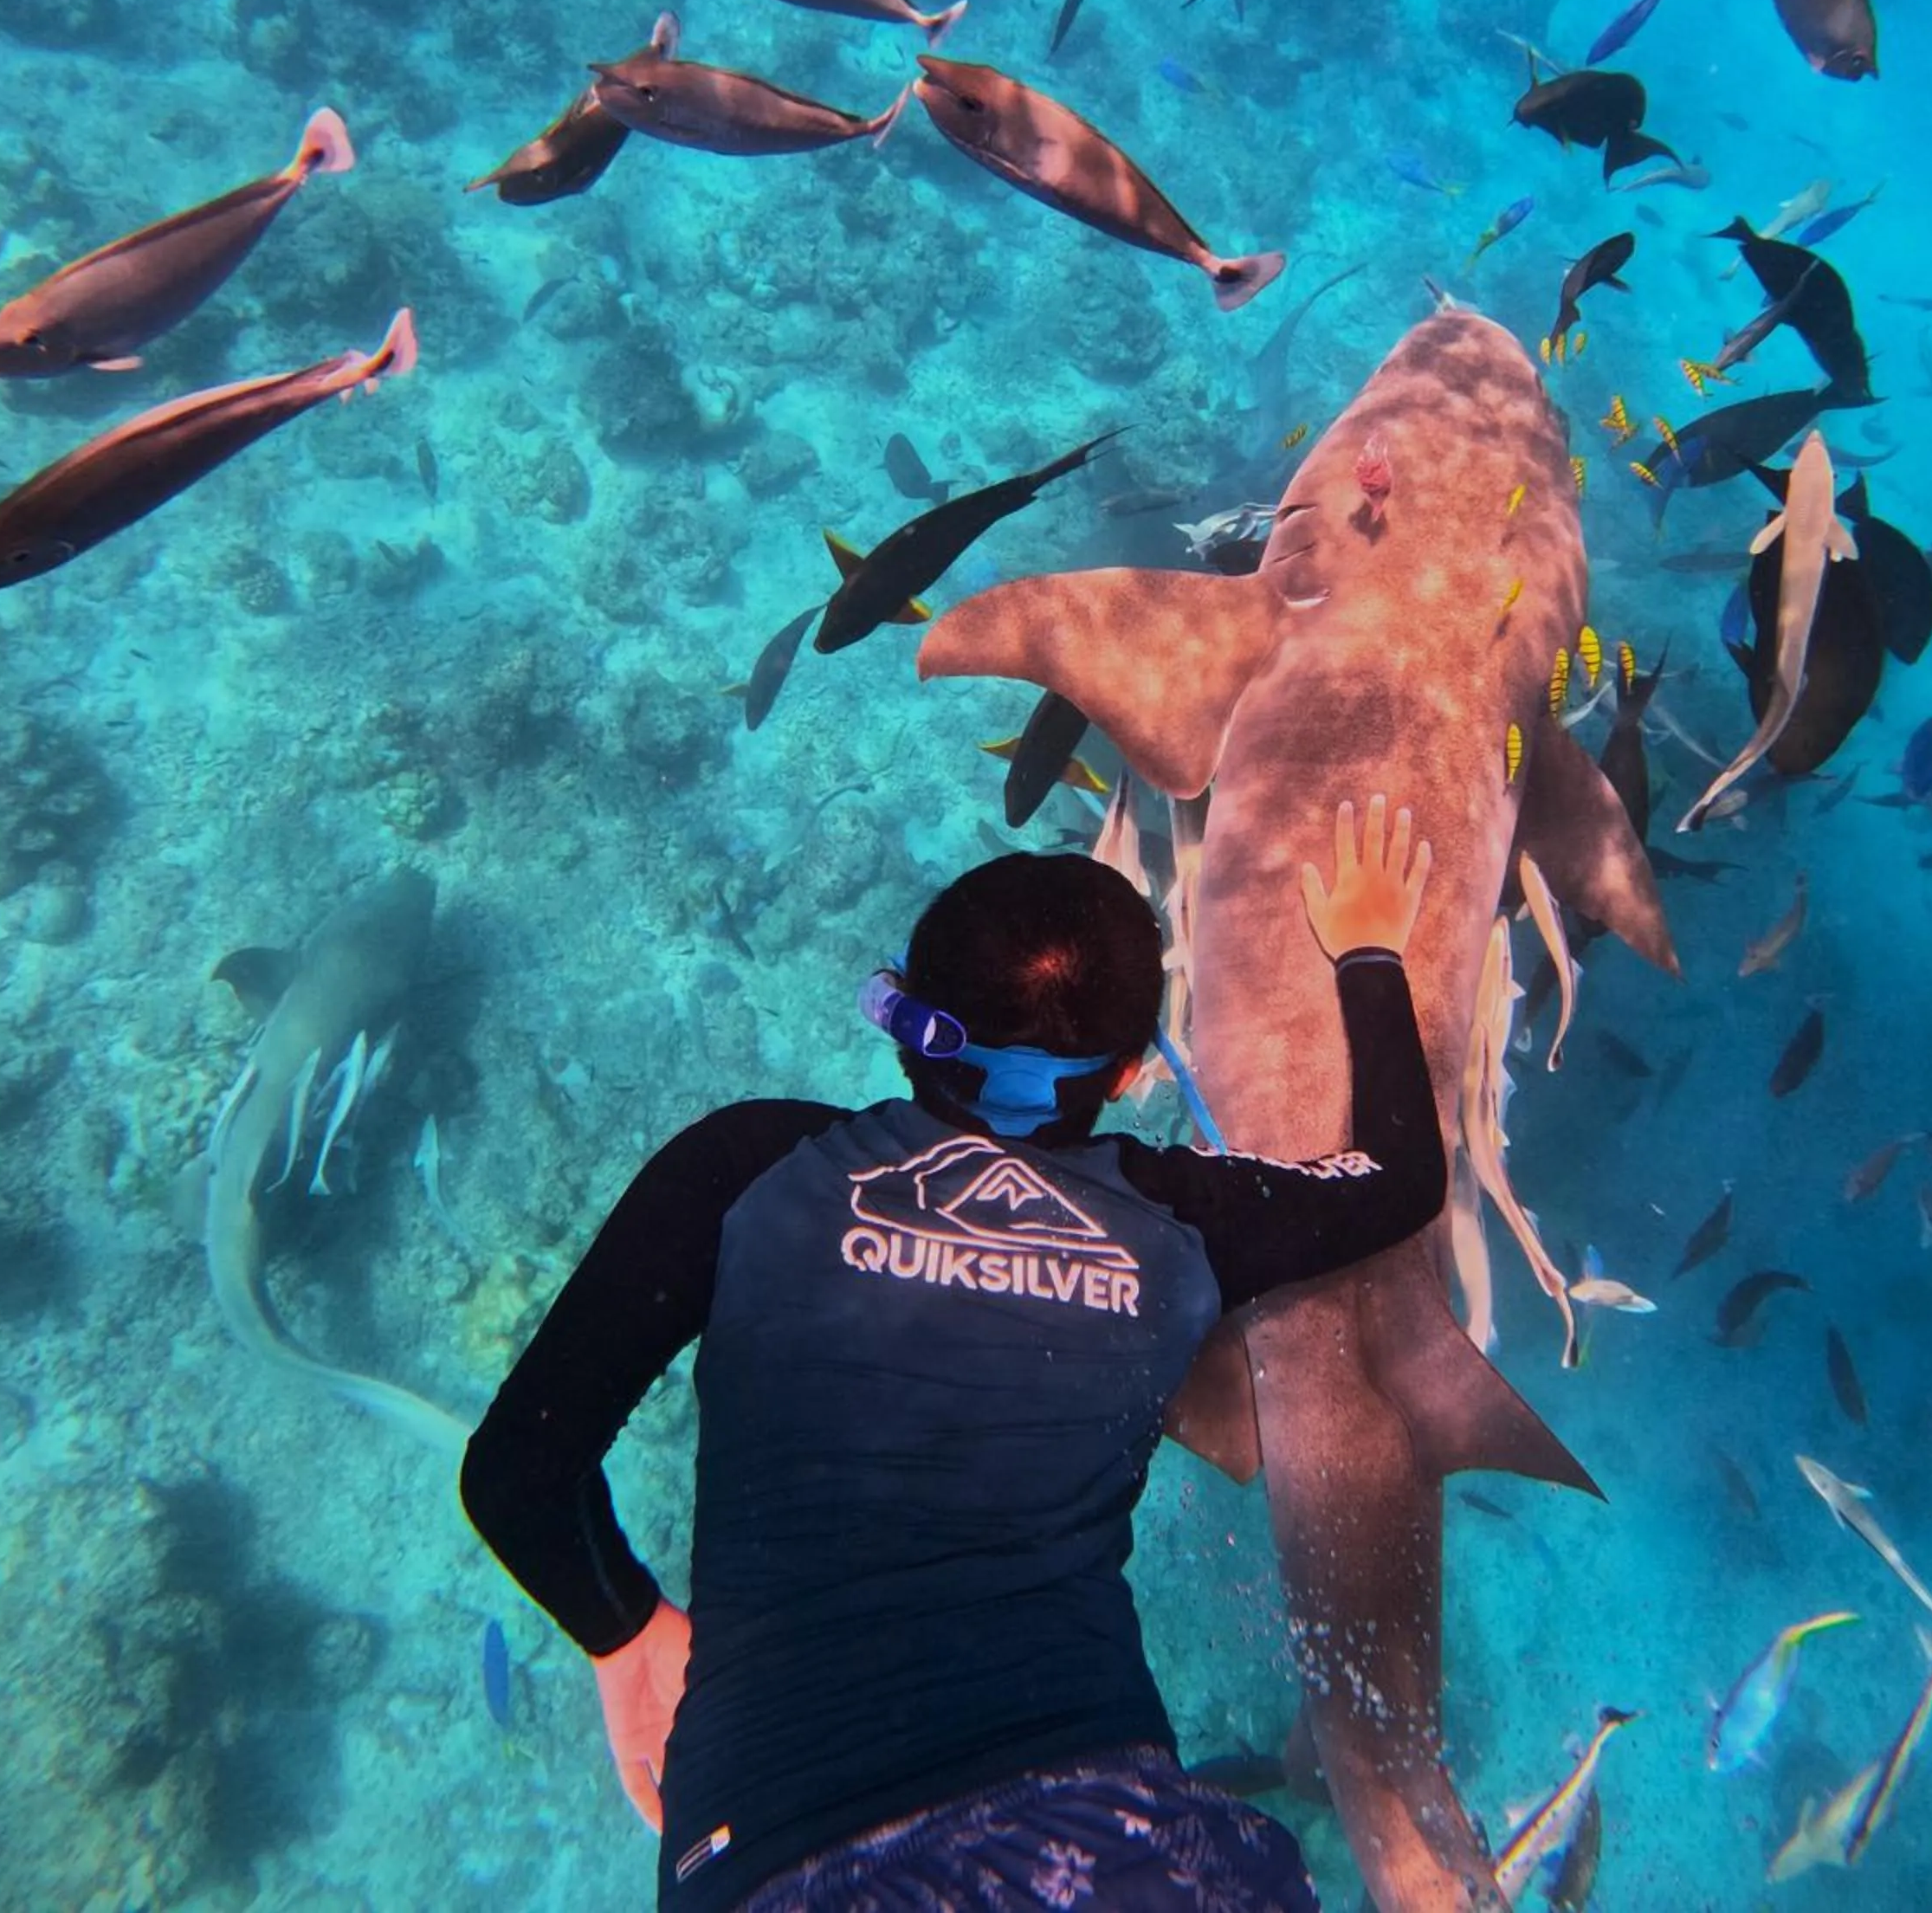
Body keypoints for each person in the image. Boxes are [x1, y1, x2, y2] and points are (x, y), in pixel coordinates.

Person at [461, 795, 1446, 1911]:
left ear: (904, 1021)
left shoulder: (747, 1165)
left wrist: (627, 1629)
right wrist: (1368, 948)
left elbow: (516, 1476)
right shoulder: (1191, 1219)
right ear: (1130, 1073)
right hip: (1111, 1832)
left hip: (783, 1852)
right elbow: (1402, 1180)